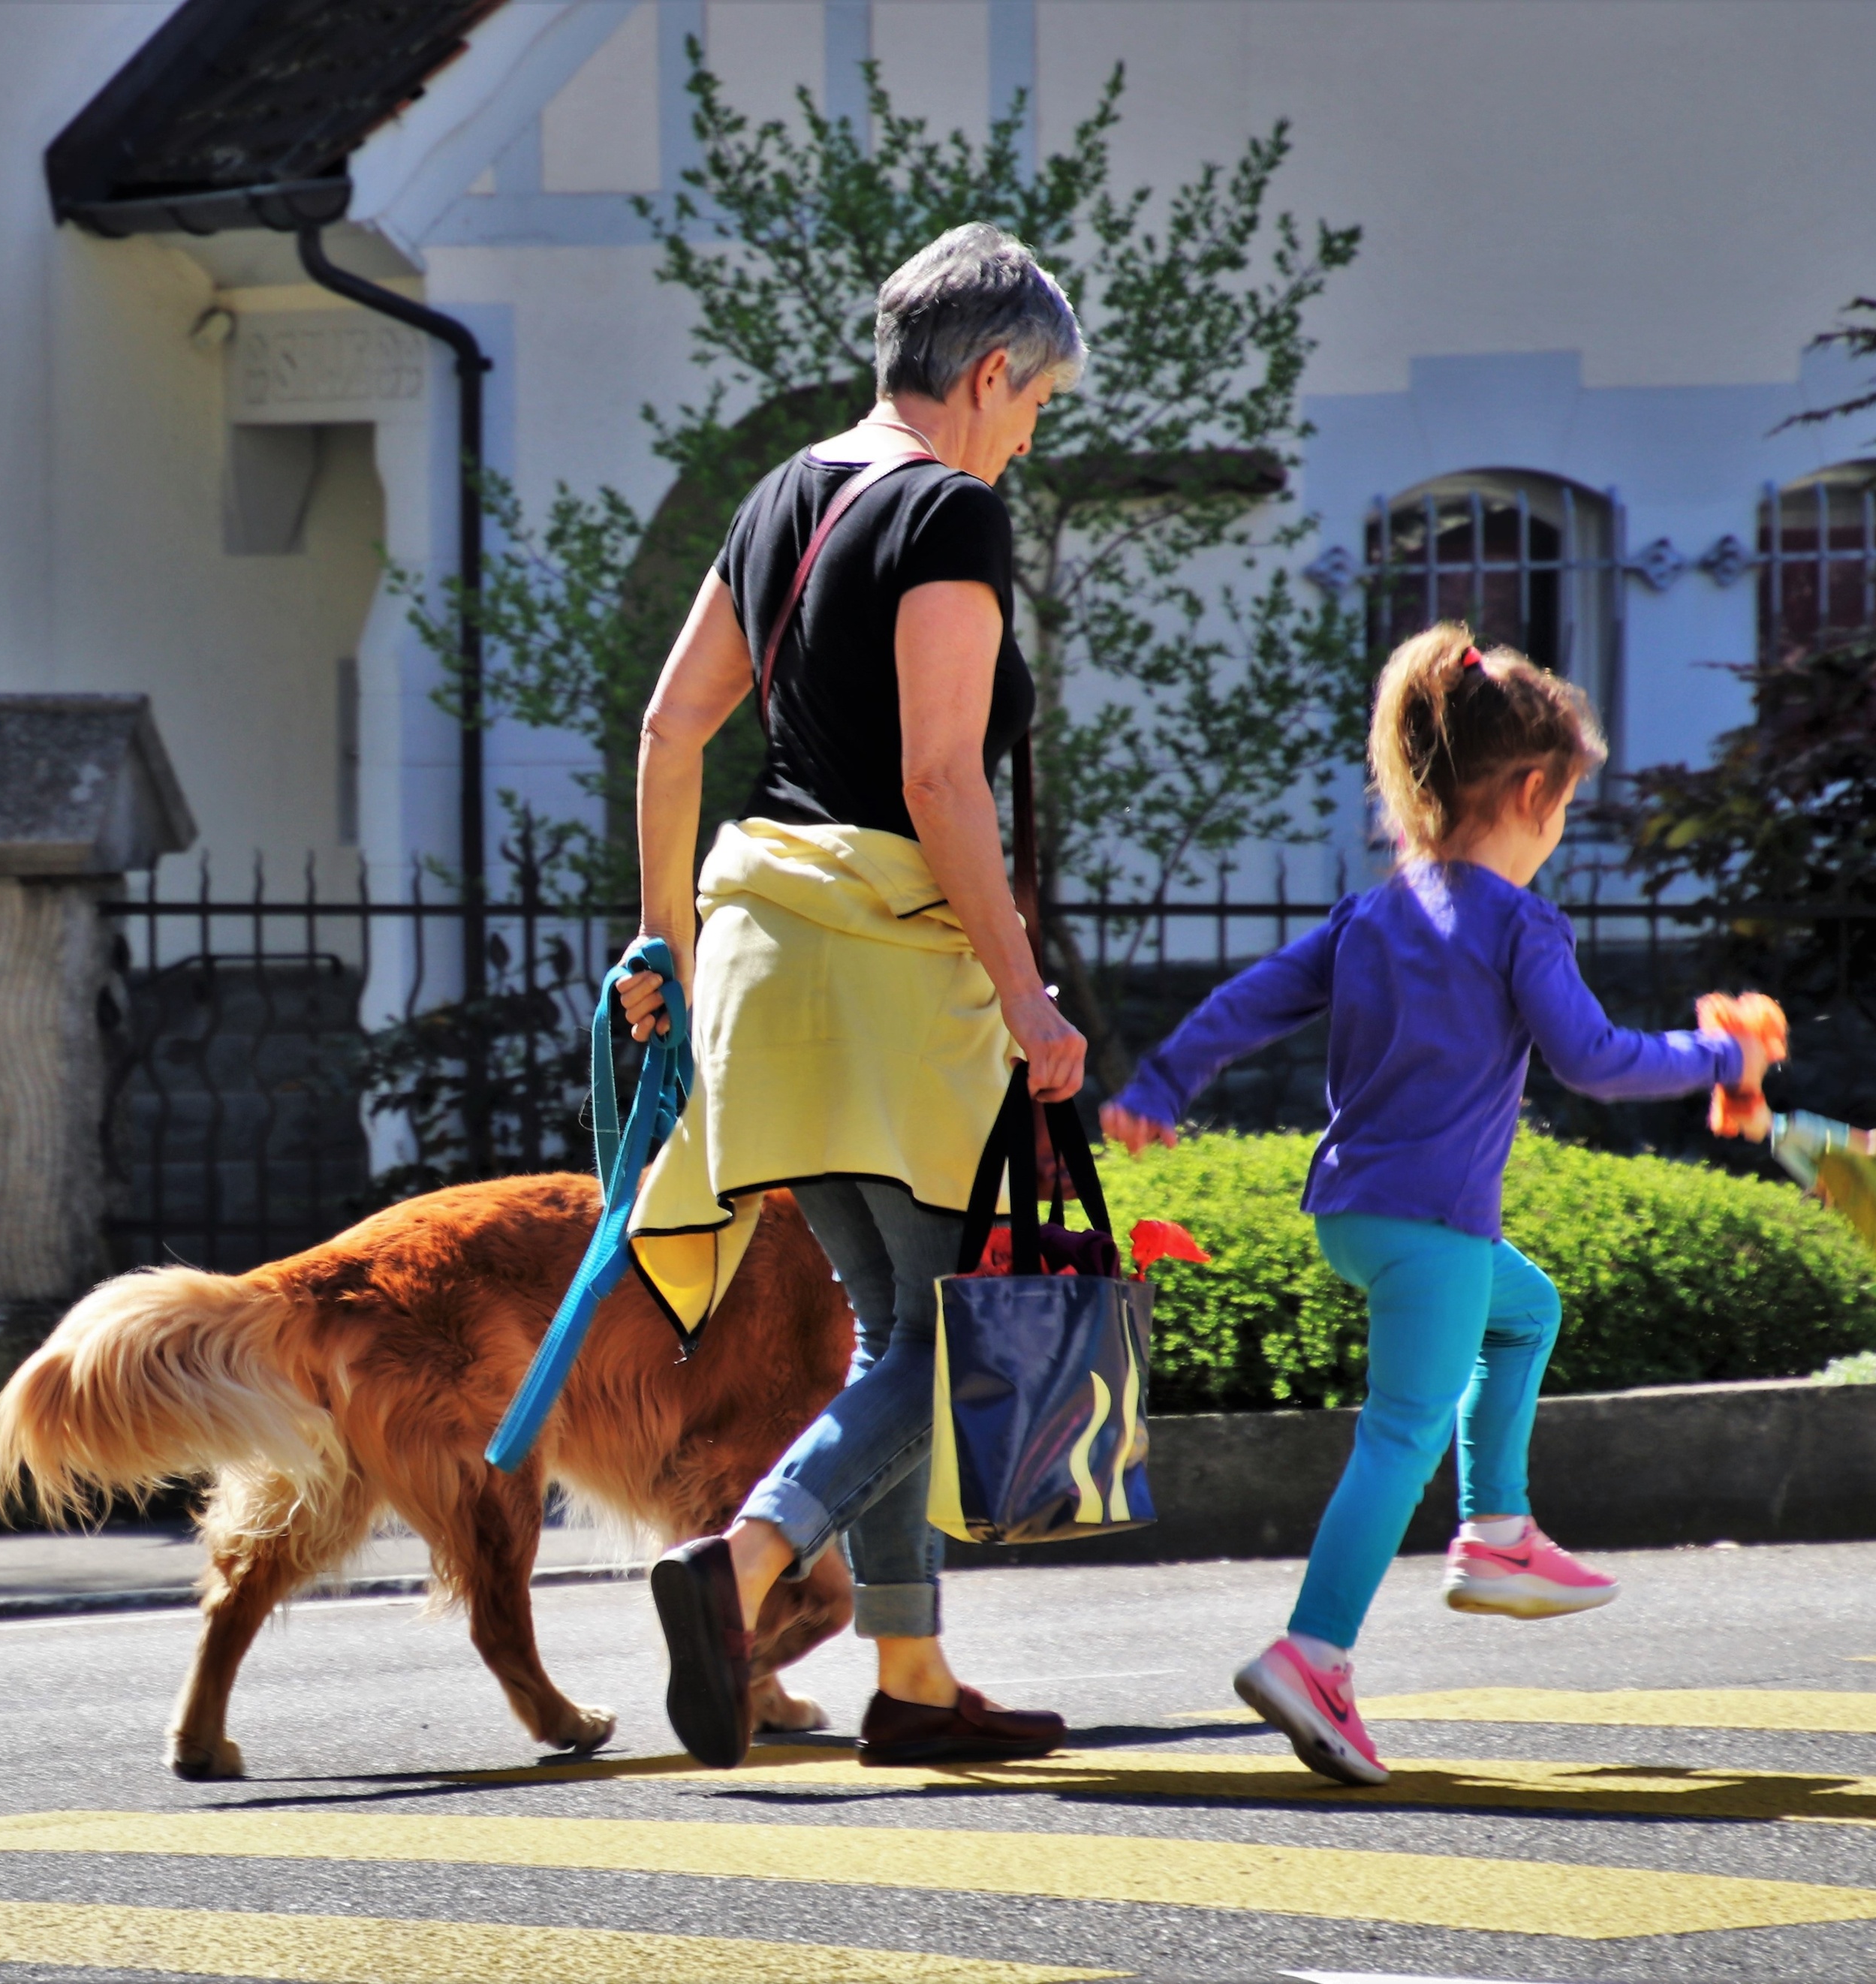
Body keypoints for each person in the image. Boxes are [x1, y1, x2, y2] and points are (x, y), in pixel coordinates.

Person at [1100, 624, 1772, 1787]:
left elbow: (1249, 997)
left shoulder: (1372, 913)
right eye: (1564, 803)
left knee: (1525, 1311)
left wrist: (1160, 1083)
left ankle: (1497, 1529)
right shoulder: (1519, 923)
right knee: (1399, 1434)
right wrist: (1718, 1054)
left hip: (1354, 1216)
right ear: (1530, 792)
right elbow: (1595, 1058)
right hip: (1435, 1229)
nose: (1559, 826)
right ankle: (1313, 1651)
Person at [613, 222, 1089, 1771]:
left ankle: (912, 1680)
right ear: (990, 368)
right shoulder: (947, 511)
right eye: (1035, 404)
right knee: (949, 1341)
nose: (1028, 435)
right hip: (891, 960)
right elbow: (937, 775)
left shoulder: (778, 496)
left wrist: (660, 948)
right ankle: (741, 1563)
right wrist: (1024, 997)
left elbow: (670, 729)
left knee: (896, 1325)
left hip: (760, 955)